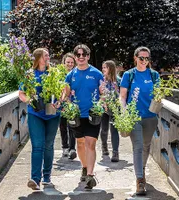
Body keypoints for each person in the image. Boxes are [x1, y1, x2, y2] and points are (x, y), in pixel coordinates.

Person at [119, 46, 159, 195]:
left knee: (147, 145)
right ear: (135, 58)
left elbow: (158, 94)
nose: (144, 61)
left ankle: (141, 168)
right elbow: (122, 96)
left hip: (150, 116)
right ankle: (140, 180)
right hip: (133, 116)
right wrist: (123, 113)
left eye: (147, 58)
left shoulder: (154, 75)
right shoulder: (129, 75)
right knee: (138, 146)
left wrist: (160, 97)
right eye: (141, 58)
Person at [19, 48, 61, 190]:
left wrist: (59, 101)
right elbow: (21, 93)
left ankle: (47, 177)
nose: (48, 57)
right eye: (46, 56)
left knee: (48, 145)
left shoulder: (53, 73)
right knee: (37, 146)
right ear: (38, 58)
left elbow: (62, 91)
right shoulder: (30, 74)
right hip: (35, 113)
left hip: (52, 113)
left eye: (48, 55)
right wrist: (30, 101)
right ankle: (35, 179)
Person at [64, 44, 103, 190]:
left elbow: (104, 94)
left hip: (92, 115)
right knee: (80, 143)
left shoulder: (97, 73)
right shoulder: (70, 75)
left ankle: (91, 176)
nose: (81, 57)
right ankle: (85, 167)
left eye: (84, 54)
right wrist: (68, 105)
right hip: (77, 116)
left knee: (90, 144)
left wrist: (99, 105)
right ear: (75, 57)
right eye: (78, 55)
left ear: (88, 56)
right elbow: (66, 95)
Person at [100, 60, 120, 162]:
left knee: (114, 130)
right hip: (103, 108)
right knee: (104, 129)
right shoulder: (101, 80)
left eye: (105, 67)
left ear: (110, 68)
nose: (103, 69)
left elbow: (122, 95)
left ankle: (115, 152)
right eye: (102, 67)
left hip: (115, 108)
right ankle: (104, 148)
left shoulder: (118, 80)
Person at [60, 53, 77, 159]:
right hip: (61, 103)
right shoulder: (60, 75)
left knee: (72, 126)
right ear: (64, 63)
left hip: (72, 103)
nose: (70, 64)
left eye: (72, 62)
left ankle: (72, 148)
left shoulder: (76, 74)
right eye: (68, 62)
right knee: (62, 126)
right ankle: (65, 147)